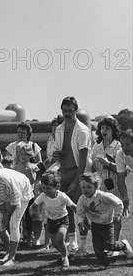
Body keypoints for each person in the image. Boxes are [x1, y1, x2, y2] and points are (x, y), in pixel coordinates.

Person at [52, 96, 92, 253]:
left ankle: (82, 245)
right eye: (64, 110)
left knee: (81, 209)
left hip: (78, 172)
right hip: (63, 171)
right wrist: (56, 156)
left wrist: (78, 180)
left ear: (76, 110)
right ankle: (72, 242)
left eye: (70, 110)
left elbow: (82, 160)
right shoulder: (59, 129)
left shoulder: (82, 130)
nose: (67, 113)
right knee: (66, 208)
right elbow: (59, 151)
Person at [76, 172, 133, 268]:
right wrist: (80, 222)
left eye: (89, 187)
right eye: (83, 187)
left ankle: (123, 245)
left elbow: (118, 203)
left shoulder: (103, 196)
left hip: (107, 225)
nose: (86, 190)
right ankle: (103, 264)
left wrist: (116, 216)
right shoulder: (82, 199)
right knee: (97, 247)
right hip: (95, 225)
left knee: (110, 246)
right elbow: (80, 212)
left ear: (96, 186)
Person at [30, 172, 77, 268]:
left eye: (48, 188)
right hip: (51, 221)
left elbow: (73, 206)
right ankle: (66, 253)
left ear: (56, 187)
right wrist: (32, 212)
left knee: (60, 239)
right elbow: (33, 206)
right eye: (43, 188)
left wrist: (81, 216)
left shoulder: (62, 196)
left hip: (63, 220)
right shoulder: (43, 196)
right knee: (55, 244)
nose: (45, 190)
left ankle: (64, 258)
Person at [90, 117, 123, 247]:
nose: (104, 130)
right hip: (99, 188)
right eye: (102, 128)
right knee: (101, 217)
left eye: (107, 128)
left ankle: (115, 244)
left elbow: (124, 170)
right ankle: (105, 244)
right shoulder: (96, 147)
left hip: (114, 187)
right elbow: (92, 166)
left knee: (115, 217)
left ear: (113, 131)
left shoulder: (118, 146)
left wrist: (108, 164)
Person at [116, 129, 133, 216]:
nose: (124, 148)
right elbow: (120, 179)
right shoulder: (120, 154)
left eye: (127, 144)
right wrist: (125, 198)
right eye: (122, 144)